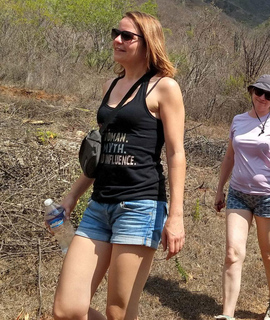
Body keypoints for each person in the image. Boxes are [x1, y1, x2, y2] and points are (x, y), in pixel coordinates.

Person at [52, 11, 186, 320]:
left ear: (147, 43)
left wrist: (176, 217)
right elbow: (99, 155)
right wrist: (71, 198)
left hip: (141, 207)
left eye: (127, 36)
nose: (117, 40)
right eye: (117, 33)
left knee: (119, 312)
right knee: (66, 310)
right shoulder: (110, 86)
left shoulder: (164, 88)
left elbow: (176, 153)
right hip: (99, 207)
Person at [213, 74, 270, 320]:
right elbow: (230, 157)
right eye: (259, 92)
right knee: (232, 253)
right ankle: (227, 315)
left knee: (269, 253)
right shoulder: (238, 120)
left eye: (269, 95)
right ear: (252, 92)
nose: (262, 98)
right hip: (238, 194)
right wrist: (220, 188)